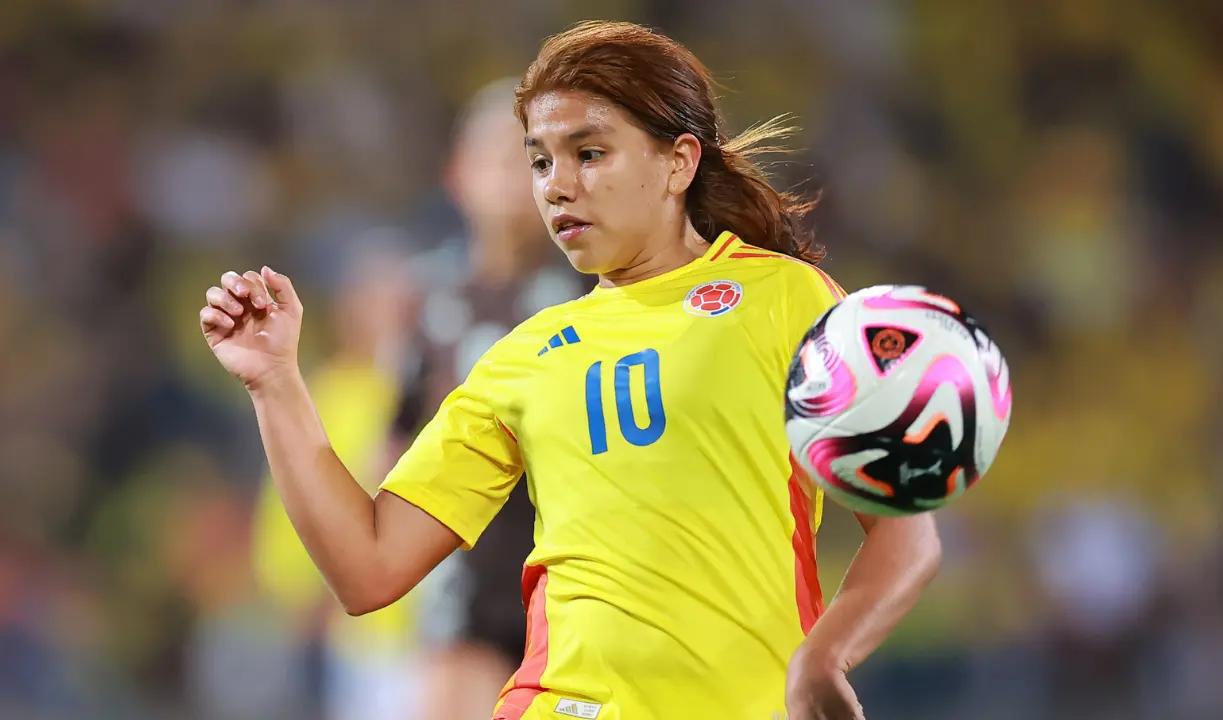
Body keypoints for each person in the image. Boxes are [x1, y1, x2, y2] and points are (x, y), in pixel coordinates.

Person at [199, 20, 942, 720]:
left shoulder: (784, 298)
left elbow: (905, 534)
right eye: (540, 161)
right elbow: (367, 567)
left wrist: (824, 656)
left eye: (589, 153)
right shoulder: (522, 356)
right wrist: (275, 382)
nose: (557, 185)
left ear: (679, 162)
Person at [387, 78, 590, 718]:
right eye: (498, 159)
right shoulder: (431, 301)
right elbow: (398, 434)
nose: (514, 179)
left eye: (532, 162)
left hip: (564, 579)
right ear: (459, 175)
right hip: (461, 581)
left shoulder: (588, 295)